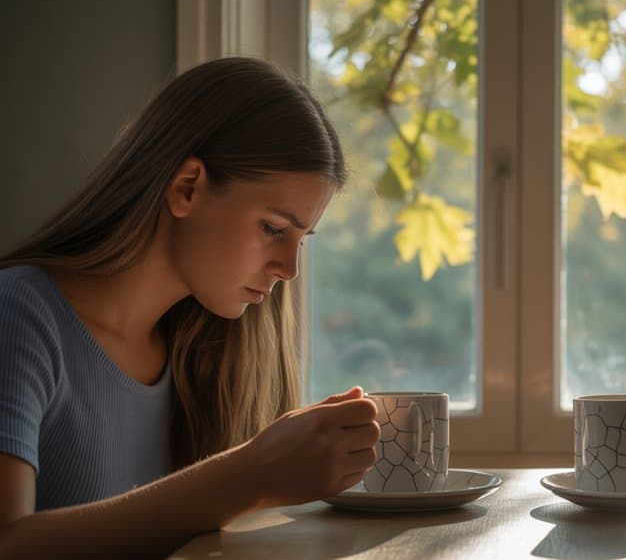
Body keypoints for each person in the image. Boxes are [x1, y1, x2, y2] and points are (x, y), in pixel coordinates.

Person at [0, 57, 381, 558]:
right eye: (273, 228)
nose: (289, 269)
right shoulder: (19, 314)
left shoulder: (206, 352)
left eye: (302, 239)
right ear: (188, 188)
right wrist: (248, 475)